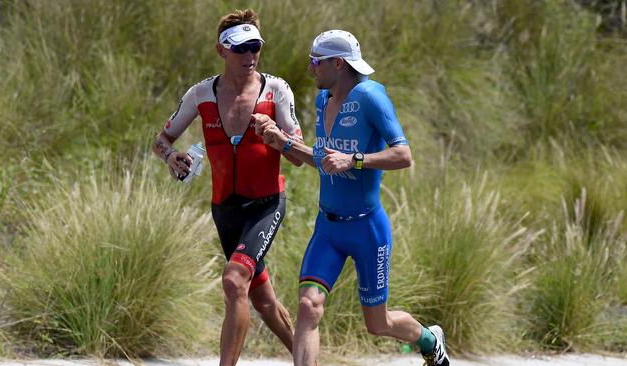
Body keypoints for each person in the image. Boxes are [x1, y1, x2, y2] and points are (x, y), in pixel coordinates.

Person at [254, 30, 450, 366]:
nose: (311, 67)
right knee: (307, 307)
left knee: (378, 323)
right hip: (328, 229)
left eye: (317, 61)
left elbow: (404, 155)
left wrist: (356, 159)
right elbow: (324, 159)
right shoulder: (323, 99)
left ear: (339, 64)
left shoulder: (371, 97)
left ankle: (430, 341)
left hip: (367, 230)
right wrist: (281, 140)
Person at [152, 9, 303, 366]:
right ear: (222, 50)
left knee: (235, 280)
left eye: (255, 47)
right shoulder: (201, 94)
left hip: (266, 204)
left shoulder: (277, 90)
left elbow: (298, 154)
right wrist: (171, 156)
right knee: (263, 300)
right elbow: (161, 139)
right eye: (241, 49)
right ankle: (308, 360)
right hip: (224, 209)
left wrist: (277, 137)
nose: (250, 57)